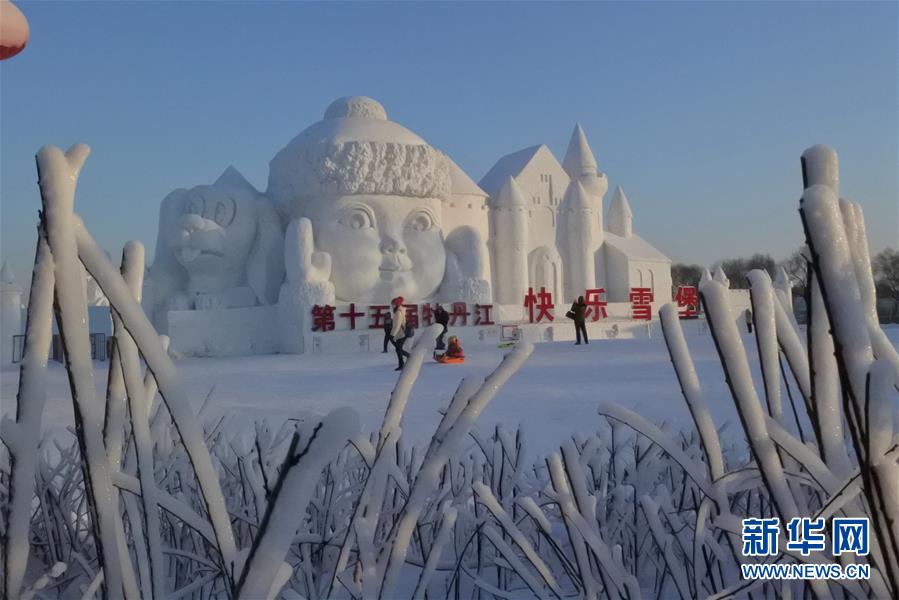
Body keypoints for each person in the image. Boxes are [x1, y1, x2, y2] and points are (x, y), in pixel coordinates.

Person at [390, 296, 411, 371]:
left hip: (400, 333)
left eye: (393, 304)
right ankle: (406, 359)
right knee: (398, 349)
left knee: (398, 349)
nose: (392, 305)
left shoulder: (398, 312)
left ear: (396, 304)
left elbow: (397, 325)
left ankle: (404, 362)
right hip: (400, 333)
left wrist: (393, 334)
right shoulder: (397, 311)